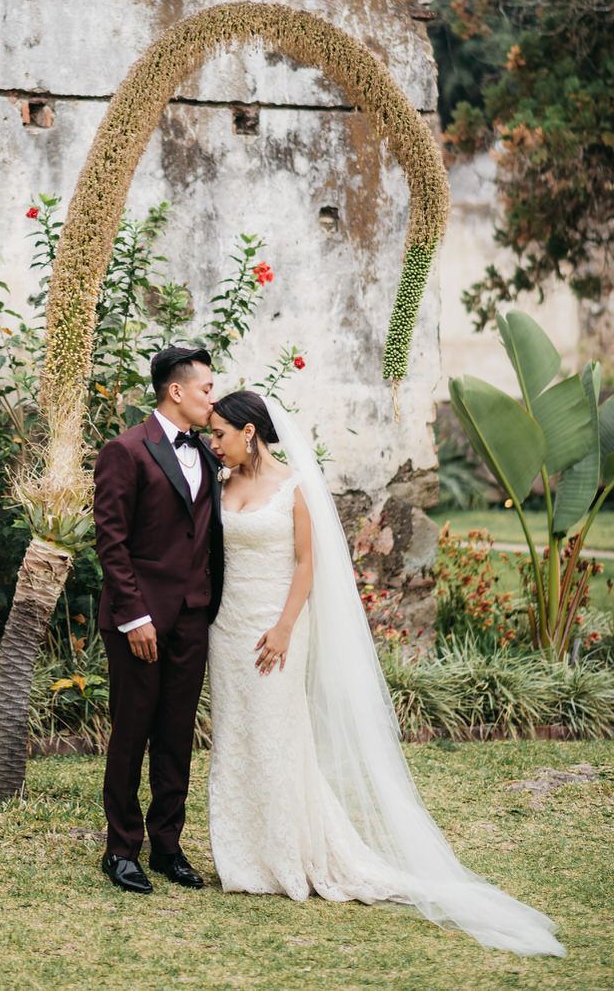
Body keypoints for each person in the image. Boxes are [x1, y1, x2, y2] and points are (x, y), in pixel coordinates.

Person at [205, 388, 565, 956]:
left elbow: (306, 563)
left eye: (220, 434)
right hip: (225, 630)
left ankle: (287, 853)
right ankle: (242, 855)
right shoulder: (221, 487)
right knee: (236, 733)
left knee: (278, 732)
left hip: (276, 627)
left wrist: (284, 627)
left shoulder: (295, 486)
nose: (213, 444)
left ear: (249, 433)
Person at [93, 343, 223, 894]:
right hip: (139, 623)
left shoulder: (211, 454)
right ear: (177, 391)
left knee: (175, 736)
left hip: (193, 617)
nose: (212, 398)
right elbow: (112, 542)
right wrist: (134, 616)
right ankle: (122, 849)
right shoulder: (126, 450)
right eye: (206, 389)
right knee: (131, 732)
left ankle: (168, 845)